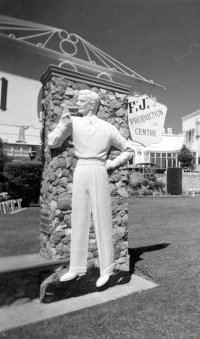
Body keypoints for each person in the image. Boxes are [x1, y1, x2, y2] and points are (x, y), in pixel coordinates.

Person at [48, 89, 132, 288]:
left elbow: (129, 149)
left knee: (102, 219)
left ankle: (107, 269)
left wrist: (112, 164)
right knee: (79, 218)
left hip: (98, 169)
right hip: (81, 169)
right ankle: (76, 268)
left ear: (92, 104)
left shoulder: (108, 127)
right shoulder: (72, 122)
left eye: (82, 101)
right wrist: (62, 123)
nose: (78, 104)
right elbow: (53, 142)